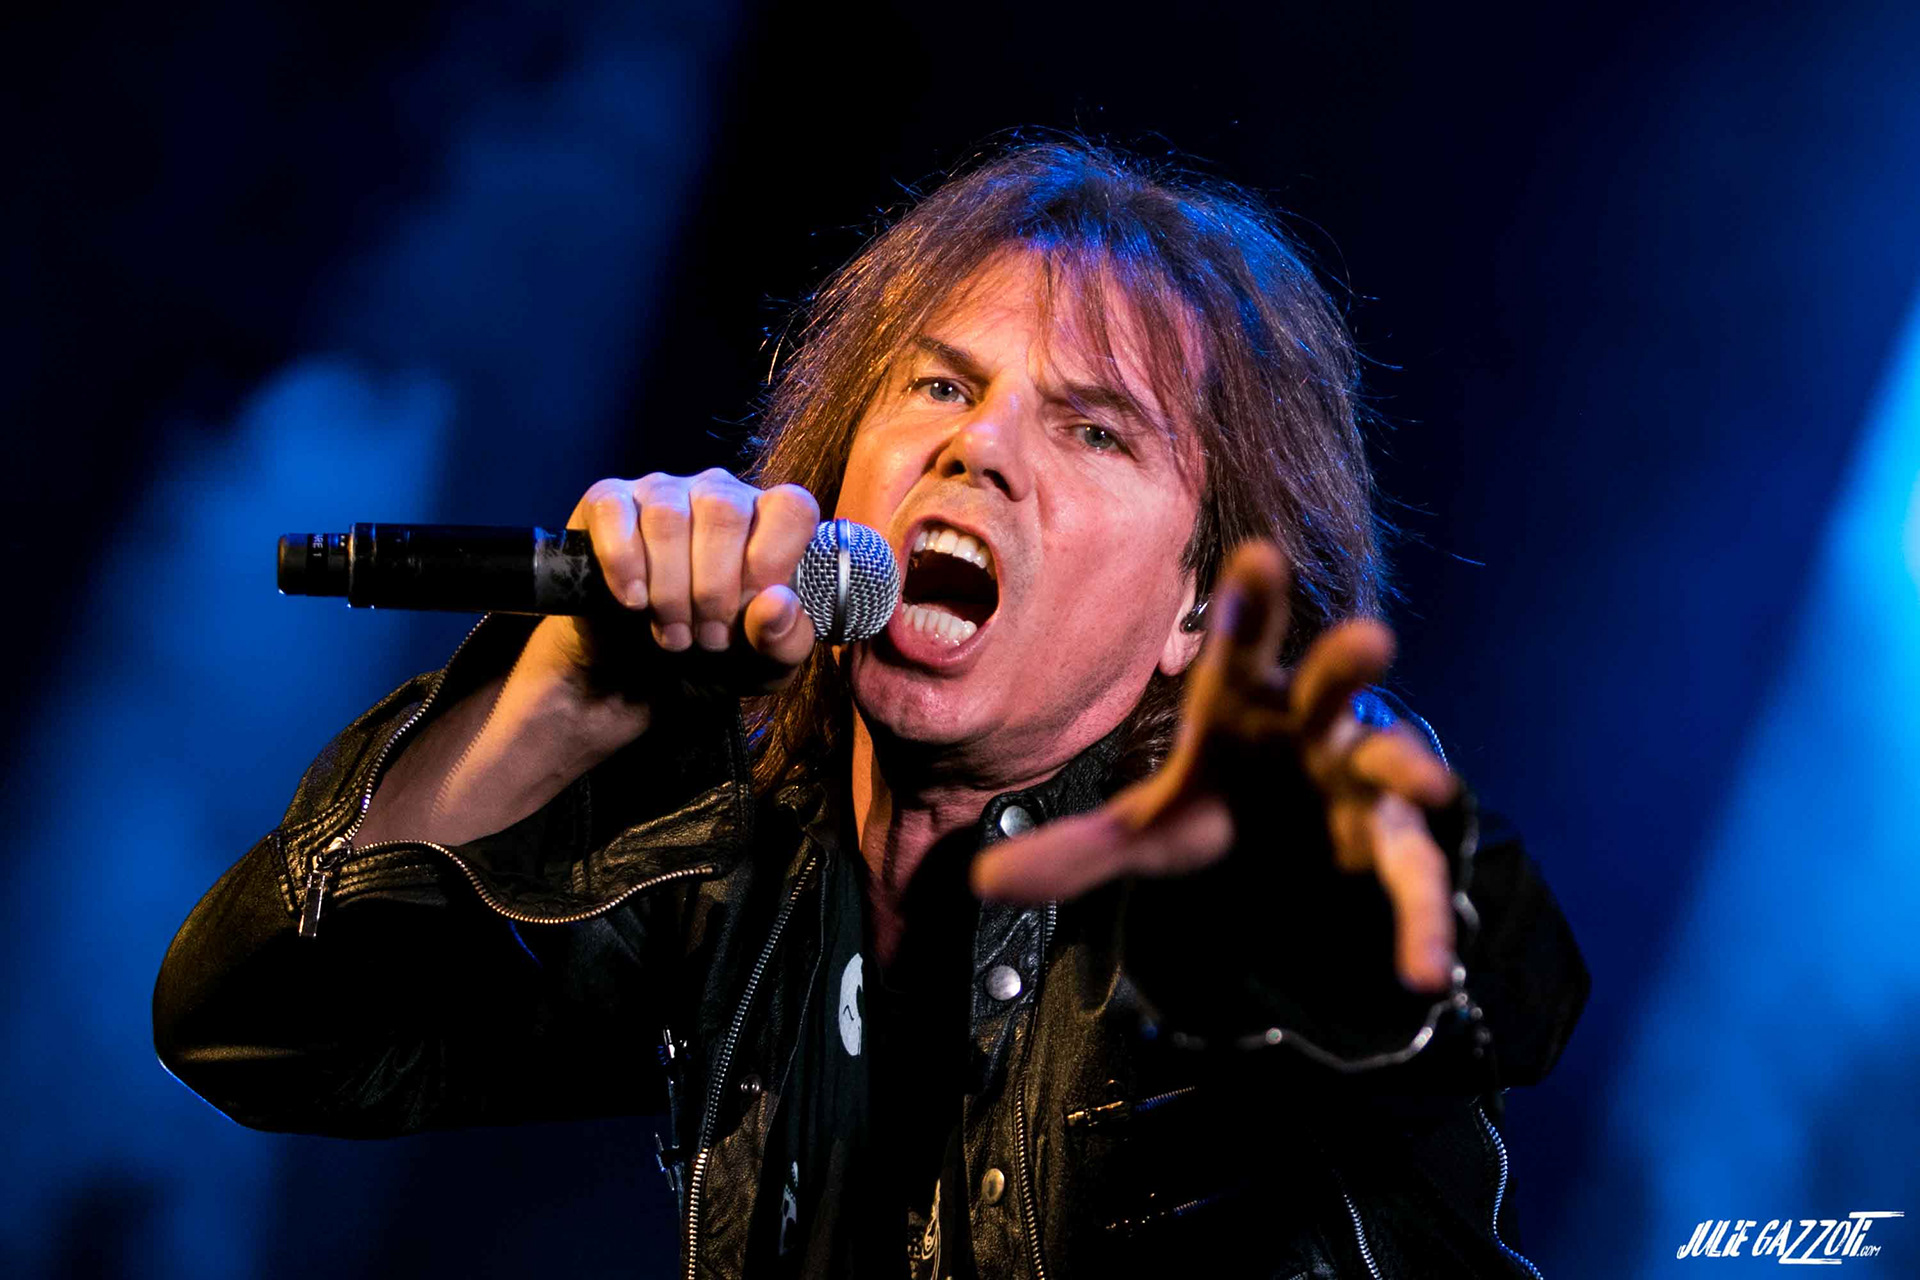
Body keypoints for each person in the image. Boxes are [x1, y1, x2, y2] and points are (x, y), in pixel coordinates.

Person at [154, 139, 1587, 1278]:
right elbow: (260, 1033)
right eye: (941, 384)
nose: (980, 448)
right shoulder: (745, 871)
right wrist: (569, 697)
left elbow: (1467, 973)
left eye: (1094, 430)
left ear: (1199, 614)